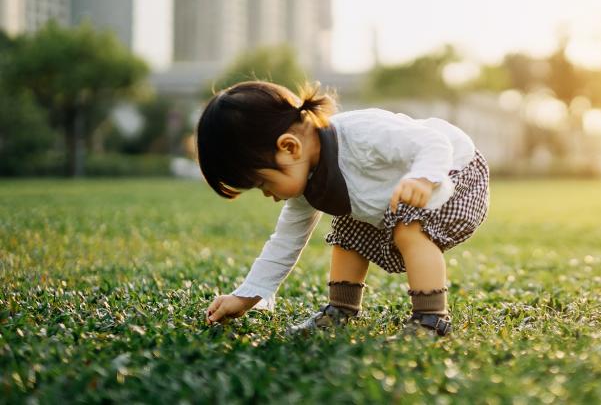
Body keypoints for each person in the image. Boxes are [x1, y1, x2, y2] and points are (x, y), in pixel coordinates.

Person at [198, 81, 489, 337]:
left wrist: (424, 177)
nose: (268, 195)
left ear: (289, 147)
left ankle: (430, 318)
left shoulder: (363, 132)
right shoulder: (306, 185)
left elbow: (433, 141)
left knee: (407, 228)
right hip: (394, 191)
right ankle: (341, 309)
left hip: (453, 170)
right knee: (347, 230)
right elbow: (284, 243)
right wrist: (246, 296)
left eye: (263, 183)